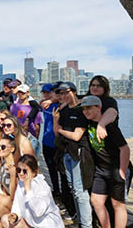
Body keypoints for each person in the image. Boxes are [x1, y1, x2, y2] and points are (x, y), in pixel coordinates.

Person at [81, 95, 129, 228]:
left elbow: (125, 149)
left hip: (116, 168)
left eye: (89, 108)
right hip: (101, 170)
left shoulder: (110, 127)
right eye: (84, 109)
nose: (86, 112)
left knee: (117, 204)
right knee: (96, 201)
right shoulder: (89, 124)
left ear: (99, 107)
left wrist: (122, 172)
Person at [53, 82, 93, 228]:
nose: (64, 96)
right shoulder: (63, 111)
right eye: (61, 93)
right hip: (66, 152)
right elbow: (56, 132)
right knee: (73, 188)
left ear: (74, 92)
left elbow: (76, 136)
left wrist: (61, 130)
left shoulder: (81, 110)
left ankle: (87, 224)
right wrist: (56, 120)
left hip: (79, 153)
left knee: (80, 190)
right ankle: (80, 219)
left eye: (66, 92)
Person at [1, 155, 64, 228]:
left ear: (33, 172)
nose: (21, 173)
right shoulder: (21, 182)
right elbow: (17, 202)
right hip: (31, 222)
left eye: (25, 171)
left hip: (47, 224)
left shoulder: (42, 186)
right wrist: (15, 215)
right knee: (5, 219)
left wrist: (28, 189)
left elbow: (38, 212)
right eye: (18, 170)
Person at [39, 83, 61, 197]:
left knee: (60, 170)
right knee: (50, 168)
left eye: (48, 92)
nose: (46, 94)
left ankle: (64, 194)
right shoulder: (44, 104)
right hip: (46, 140)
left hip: (57, 141)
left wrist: (51, 100)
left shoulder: (59, 105)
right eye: (44, 92)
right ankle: (56, 190)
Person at [0, 136, 21, 221]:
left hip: (18, 200)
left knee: (0, 200)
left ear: (12, 149)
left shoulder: (16, 166)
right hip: (9, 198)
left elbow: (14, 195)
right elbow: (4, 188)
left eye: (3, 147)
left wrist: (13, 175)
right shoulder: (3, 163)